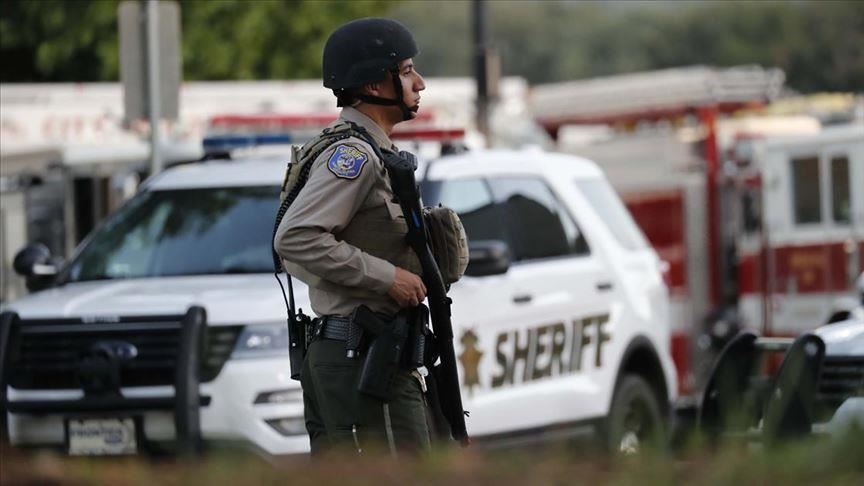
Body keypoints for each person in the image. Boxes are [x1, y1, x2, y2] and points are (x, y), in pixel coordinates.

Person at [273, 17, 431, 456]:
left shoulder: (372, 149)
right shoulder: (354, 154)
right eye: (406, 71)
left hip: (364, 352)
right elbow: (296, 236)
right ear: (375, 84)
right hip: (360, 355)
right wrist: (388, 278)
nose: (419, 83)